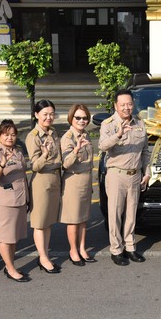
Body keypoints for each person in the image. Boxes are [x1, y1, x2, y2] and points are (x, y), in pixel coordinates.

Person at [99, 89, 150, 266]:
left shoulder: (140, 123)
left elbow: (145, 151)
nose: (127, 108)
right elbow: (103, 145)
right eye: (123, 105)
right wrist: (118, 134)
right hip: (116, 174)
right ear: (115, 106)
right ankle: (116, 249)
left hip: (135, 175)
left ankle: (130, 247)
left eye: (129, 104)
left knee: (131, 214)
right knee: (115, 214)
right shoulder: (108, 124)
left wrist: (147, 171)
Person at [0, 119, 31, 282]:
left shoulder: (18, 151)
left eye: (13, 135)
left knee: (13, 236)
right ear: (0, 136)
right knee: (5, 237)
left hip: (19, 199)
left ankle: (9, 265)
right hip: (5, 202)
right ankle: (11, 269)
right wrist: (2, 164)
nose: (10, 138)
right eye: (6, 134)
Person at [26, 99, 62, 273]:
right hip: (41, 180)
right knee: (40, 222)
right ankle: (43, 258)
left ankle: (45, 253)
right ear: (36, 115)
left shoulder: (53, 132)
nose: (49, 117)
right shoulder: (33, 136)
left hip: (55, 178)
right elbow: (34, 166)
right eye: (45, 114)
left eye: (51, 114)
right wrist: (45, 154)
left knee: (48, 221)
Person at [60, 104, 96, 266]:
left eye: (85, 118)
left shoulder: (85, 135)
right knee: (73, 219)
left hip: (86, 180)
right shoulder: (68, 138)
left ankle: (82, 248)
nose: (82, 121)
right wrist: (76, 150)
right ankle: (73, 250)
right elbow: (66, 164)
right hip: (73, 181)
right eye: (78, 118)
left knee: (83, 218)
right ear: (71, 118)